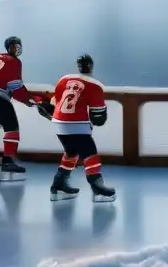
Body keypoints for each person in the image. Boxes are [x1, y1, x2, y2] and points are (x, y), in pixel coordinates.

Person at [42, 53, 116, 203]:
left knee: (71, 153)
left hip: (58, 123)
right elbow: (98, 118)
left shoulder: (64, 79)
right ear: (90, 65)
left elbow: (54, 102)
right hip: (77, 125)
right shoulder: (95, 85)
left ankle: (58, 186)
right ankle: (98, 189)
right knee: (90, 154)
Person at [0, 36, 43, 177]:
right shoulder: (15, 62)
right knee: (12, 128)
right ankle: (8, 162)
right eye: (15, 46)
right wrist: (27, 100)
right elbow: (16, 88)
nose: (17, 48)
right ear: (9, 47)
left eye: (18, 45)